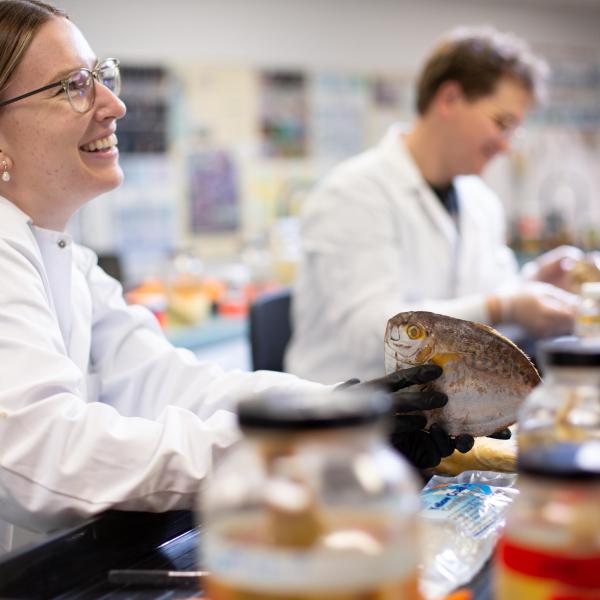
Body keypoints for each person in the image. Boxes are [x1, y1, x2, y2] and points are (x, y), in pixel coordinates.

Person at [0, 0, 472, 553]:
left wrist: (340, 407)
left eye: (101, 76)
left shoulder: (64, 257)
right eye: (71, 86)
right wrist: (305, 441)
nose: (114, 104)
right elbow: (44, 454)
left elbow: (169, 382)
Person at [285, 26, 580, 384]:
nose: (506, 146)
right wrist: (505, 306)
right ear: (450, 98)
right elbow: (370, 332)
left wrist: (531, 282)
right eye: (502, 123)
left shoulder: (479, 201)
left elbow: (485, 292)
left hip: (438, 415)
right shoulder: (353, 192)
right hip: (344, 416)